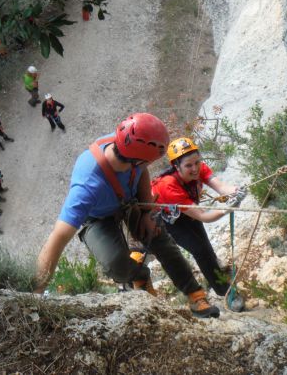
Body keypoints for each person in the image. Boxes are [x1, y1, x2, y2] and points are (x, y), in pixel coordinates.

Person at [33, 113, 220, 318]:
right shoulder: (87, 187)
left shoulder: (126, 144)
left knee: (161, 240)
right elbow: (58, 238)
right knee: (116, 264)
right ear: (137, 160)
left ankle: (194, 294)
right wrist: (35, 295)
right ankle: (139, 275)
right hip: (98, 217)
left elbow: (142, 171)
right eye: (146, 161)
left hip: (130, 200)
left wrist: (147, 211)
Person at [151, 137, 246, 306]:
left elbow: (221, 188)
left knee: (205, 246)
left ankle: (215, 270)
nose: (195, 168)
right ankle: (225, 292)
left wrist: (236, 191)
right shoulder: (168, 186)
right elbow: (203, 216)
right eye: (188, 165)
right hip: (168, 220)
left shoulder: (199, 167)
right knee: (200, 250)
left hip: (186, 209)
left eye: (197, 162)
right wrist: (227, 209)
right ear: (176, 166)